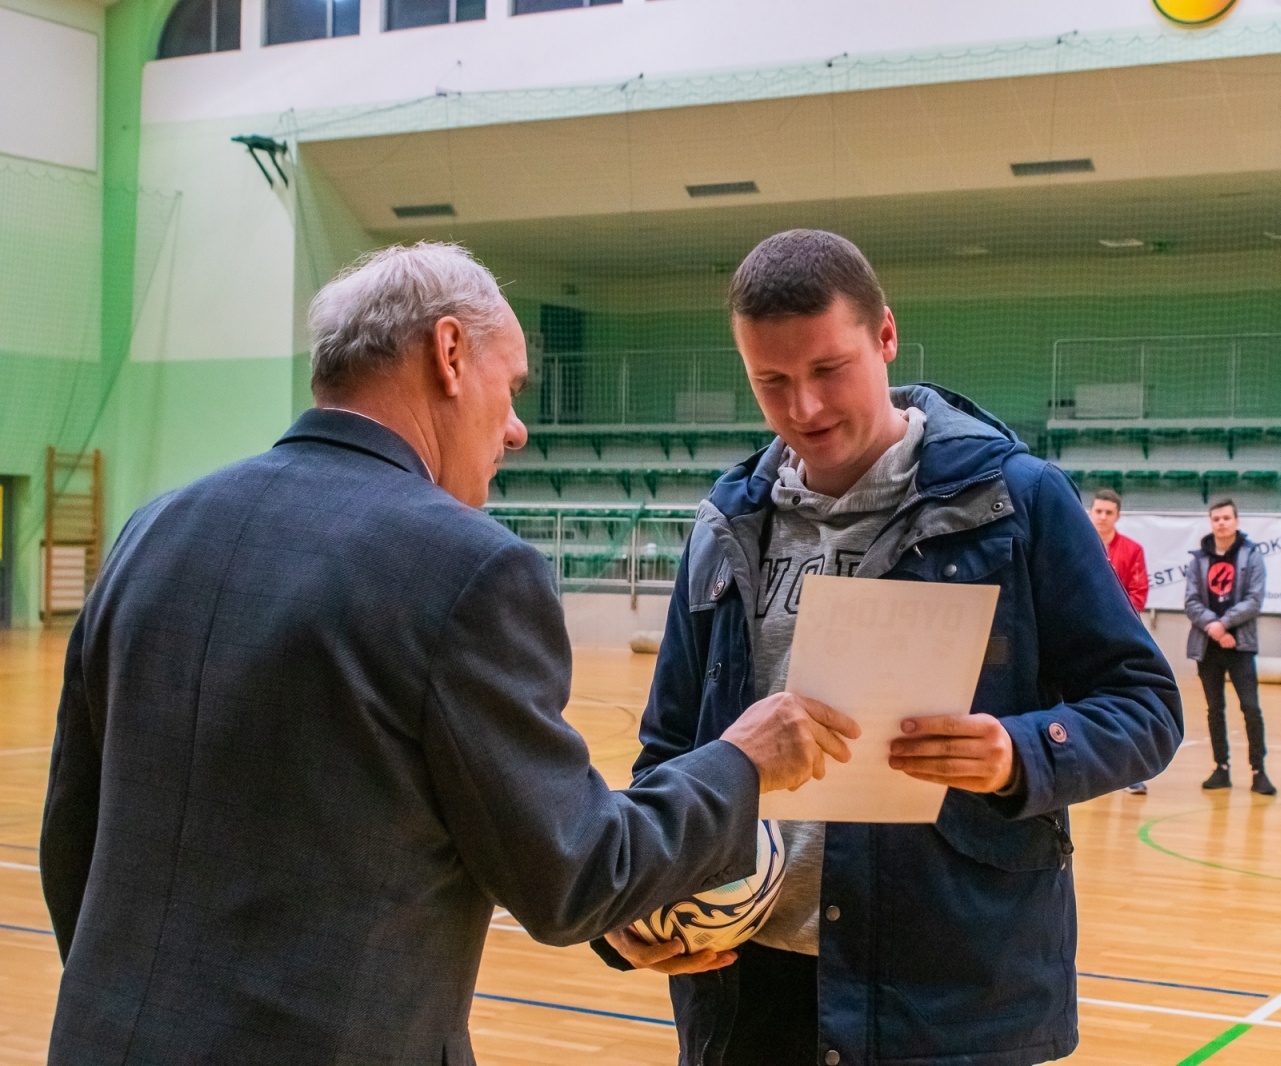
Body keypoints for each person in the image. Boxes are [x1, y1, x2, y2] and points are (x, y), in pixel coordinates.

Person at [38, 243, 859, 1066]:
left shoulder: (152, 530)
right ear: (450, 353)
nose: (516, 427)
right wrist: (742, 764)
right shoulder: (468, 568)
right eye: (511, 389)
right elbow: (575, 872)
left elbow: (71, 840)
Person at [596, 230, 1184, 1066]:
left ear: (886, 338)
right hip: (748, 997)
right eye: (772, 381)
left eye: (828, 370)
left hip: (950, 1000)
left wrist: (1017, 753)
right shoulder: (726, 525)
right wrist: (638, 912)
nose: (803, 408)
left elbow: (1146, 708)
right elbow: (668, 755)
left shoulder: (1019, 504)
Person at [1184, 498, 1275, 795]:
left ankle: (1258, 770)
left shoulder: (1251, 555)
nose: (1221, 523)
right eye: (1216, 519)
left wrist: (1225, 624)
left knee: (1250, 707)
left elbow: (1254, 599)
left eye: (1226, 518)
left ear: (1237, 521)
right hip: (1208, 645)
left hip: (1241, 644)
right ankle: (1221, 768)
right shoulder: (1199, 558)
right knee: (1215, 710)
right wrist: (1214, 626)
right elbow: (1191, 601)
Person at [1089, 487, 1153, 794]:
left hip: (1118, 639)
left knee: (1126, 705)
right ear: (1090, 511)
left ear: (1118, 516)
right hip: (1078, 637)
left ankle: (1131, 773)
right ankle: (1088, 768)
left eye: (1108, 512)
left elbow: (1139, 595)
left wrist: (1114, 622)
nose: (1102, 517)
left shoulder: (1132, 550)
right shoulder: (1077, 543)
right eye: (1098, 511)